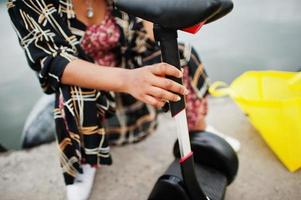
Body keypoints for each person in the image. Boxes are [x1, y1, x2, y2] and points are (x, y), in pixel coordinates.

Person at [7, 0, 240, 199]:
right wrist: (128, 80)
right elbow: (51, 62)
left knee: (179, 55)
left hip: (128, 56)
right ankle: (85, 161)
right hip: (88, 75)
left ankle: (198, 130)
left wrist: (172, 18)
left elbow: (146, 29)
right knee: (74, 88)